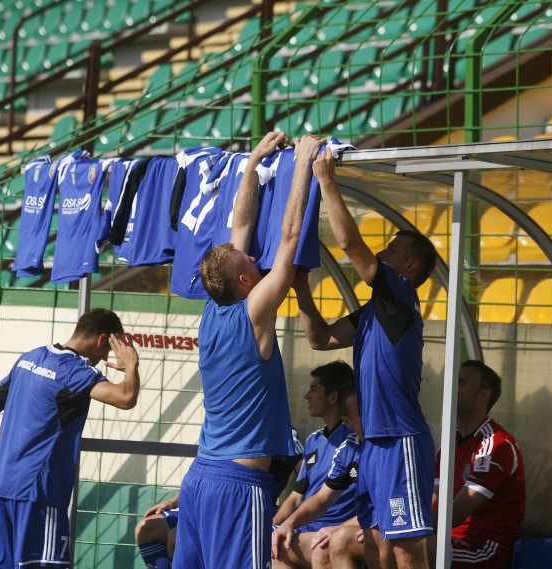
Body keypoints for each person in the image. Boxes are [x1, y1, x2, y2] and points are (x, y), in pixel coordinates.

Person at [172, 131, 326, 569]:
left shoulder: (214, 307)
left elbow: (239, 227)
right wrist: (302, 164)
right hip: (238, 484)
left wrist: (255, 161)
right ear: (244, 281)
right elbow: (291, 239)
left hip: (199, 476)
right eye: (251, 266)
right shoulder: (254, 310)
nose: (256, 260)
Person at [292, 147, 438, 569]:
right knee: (377, 546)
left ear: (407, 266)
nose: (383, 255)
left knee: (408, 549)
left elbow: (353, 247)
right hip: (372, 442)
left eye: (391, 251)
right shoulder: (374, 311)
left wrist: (326, 179)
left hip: (399, 439)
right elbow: (320, 339)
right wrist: (301, 289)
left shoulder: (400, 294)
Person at [0, 308, 140, 569]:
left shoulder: (29, 358)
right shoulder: (75, 372)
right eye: (107, 351)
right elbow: (126, 397)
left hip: (1, 487)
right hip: (38, 494)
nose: (104, 359)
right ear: (102, 340)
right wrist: (131, 364)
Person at [135, 427, 305, 569]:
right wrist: (173, 501)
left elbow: (307, 470)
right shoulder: (224, 426)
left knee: (176, 537)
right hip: (204, 502)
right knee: (147, 528)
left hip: (242, 507)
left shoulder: (281, 431)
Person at [429, 360, 526, 569]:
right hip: (447, 541)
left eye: (461, 382)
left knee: (409, 545)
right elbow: (433, 503)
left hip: (482, 549)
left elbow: (454, 515)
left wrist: (399, 525)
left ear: (484, 395)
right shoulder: (448, 446)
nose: (451, 387)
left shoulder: (496, 445)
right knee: (346, 539)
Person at [272, 386, 369, 569]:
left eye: (314, 389)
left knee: (324, 547)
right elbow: (312, 497)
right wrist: (284, 524)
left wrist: (341, 527)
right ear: (347, 420)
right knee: (275, 543)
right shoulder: (341, 446)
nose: (306, 395)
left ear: (333, 396)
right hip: (314, 526)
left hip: (346, 527)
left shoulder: (391, 447)